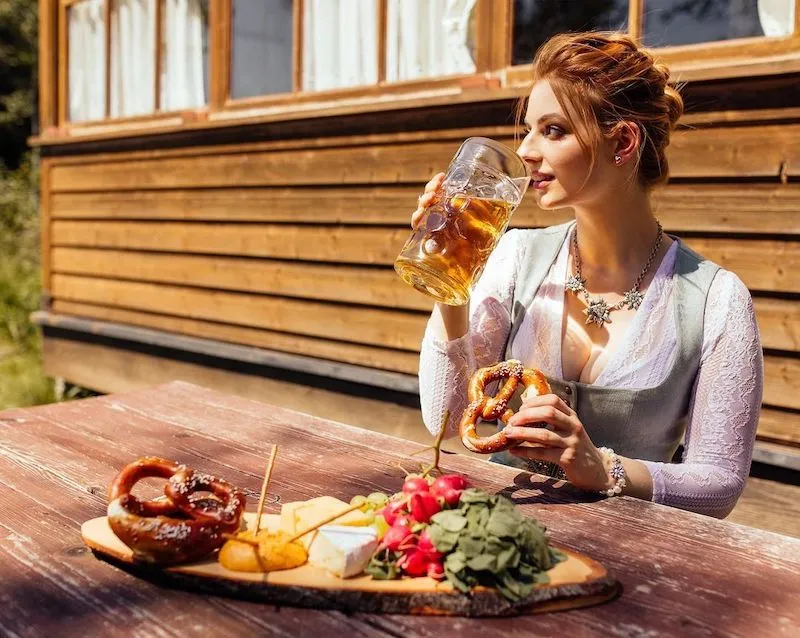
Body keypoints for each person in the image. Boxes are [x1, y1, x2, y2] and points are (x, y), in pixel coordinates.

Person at [413, 32, 763, 519]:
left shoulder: (716, 300)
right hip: (499, 539)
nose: (527, 151)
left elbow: (719, 483)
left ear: (622, 141)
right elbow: (445, 421)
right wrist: (453, 274)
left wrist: (605, 469)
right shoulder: (514, 256)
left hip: (635, 569)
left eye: (552, 130)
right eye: (528, 129)